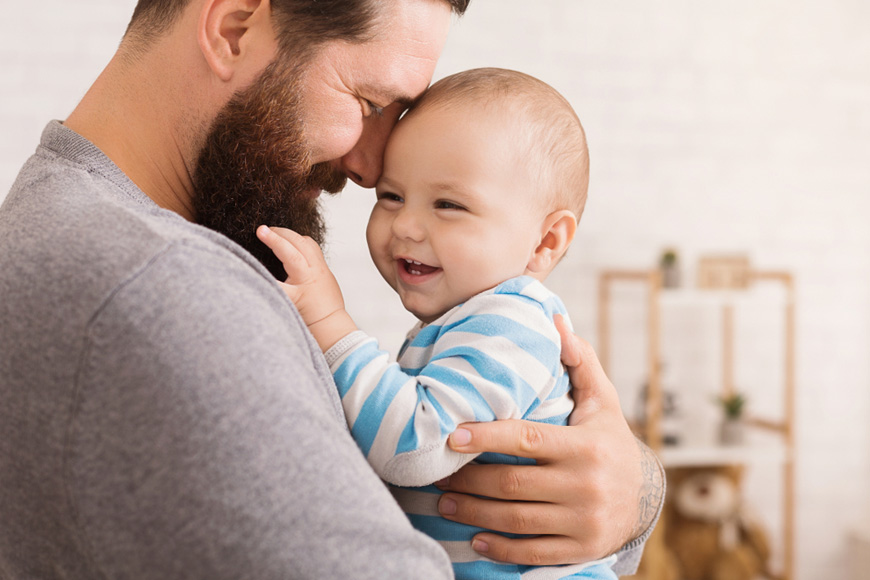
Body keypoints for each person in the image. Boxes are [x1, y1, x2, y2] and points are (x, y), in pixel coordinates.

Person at [0, 0, 663, 578]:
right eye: (370, 103)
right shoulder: (163, 288)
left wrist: (626, 495)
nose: (372, 167)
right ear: (233, 30)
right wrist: (637, 498)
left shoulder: (57, 221)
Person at [258, 67, 617, 580]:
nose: (405, 224)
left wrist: (329, 322)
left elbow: (415, 447)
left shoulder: (510, 322)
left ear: (545, 243)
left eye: (448, 204)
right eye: (390, 196)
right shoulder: (464, 323)